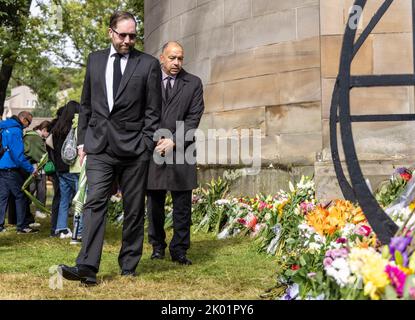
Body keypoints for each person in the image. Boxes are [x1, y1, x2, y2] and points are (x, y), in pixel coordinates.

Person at [59, 11, 161, 285]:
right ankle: (87, 267)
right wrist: (83, 141)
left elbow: (153, 111)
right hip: (100, 147)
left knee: (133, 208)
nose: (128, 40)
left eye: (132, 36)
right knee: (94, 204)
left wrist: (146, 143)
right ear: (110, 32)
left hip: (134, 149)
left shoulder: (148, 64)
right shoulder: (95, 60)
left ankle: (128, 264)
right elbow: (87, 104)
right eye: (122, 35)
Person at [147, 42, 205, 265]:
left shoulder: (193, 83)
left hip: (182, 150)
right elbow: (143, 114)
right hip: (154, 149)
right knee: (154, 204)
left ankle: (179, 249)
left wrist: (174, 140)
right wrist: (156, 140)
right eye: (172, 58)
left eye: (180, 58)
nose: (176, 63)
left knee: (182, 205)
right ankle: (157, 246)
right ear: (162, 58)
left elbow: (193, 118)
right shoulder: (148, 82)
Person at [0, 111, 38, 234]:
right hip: (11, 168)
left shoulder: (4, 126)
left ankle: (0, 225)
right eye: (29, 122)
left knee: (3, 197)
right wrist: (31, 169)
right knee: (21, 196)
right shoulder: (15, 130)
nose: (28, 126)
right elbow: (18, 155)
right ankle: (22, 226)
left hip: (1, 166)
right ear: (23, 119)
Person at [51, 101, 80, 239]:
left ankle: (61, 228)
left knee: (64, 199)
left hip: (59, 168)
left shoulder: (57, 127)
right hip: (71, 167)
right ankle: (78, 230)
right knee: (79, 200)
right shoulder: (74, 128)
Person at [24, 120, 52, 226]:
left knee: (41, 190)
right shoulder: (34, 137)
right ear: (44, 130)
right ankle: (27, 215)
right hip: (32, 168)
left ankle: (37, 212)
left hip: (39, 169)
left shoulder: (36, 137)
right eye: (48, 133)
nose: (48, 136)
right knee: (30, 191)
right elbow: (40, 154)